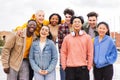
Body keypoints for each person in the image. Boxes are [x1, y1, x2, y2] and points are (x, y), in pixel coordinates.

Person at [61, 16, 93, 80]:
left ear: (81, 24)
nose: (77, 23)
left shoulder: (87, 37)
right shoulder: (67, 38)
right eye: (75, 22)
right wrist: (64, 66)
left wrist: (89, 66)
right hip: (70, 68)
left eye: (79, 22)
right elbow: (63, 52)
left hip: (83, 68)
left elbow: (90, 53)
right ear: (72, 24)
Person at [58, 8, 74, 80]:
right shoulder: (61, 26)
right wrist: (62, 54)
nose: (68, 19)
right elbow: (60, 42)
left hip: (74, 54)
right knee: (63, 72)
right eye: (66, 17)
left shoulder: (76, 26)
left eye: (69, 17)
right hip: (64, 53)